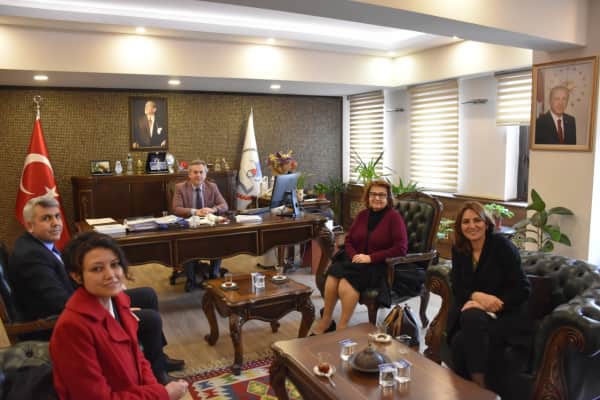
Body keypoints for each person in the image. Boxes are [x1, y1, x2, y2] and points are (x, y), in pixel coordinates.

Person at [8, 194, 184, 384]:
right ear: (30, 225)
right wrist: (111, 311)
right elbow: (58, 303)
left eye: (57, 216)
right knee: (151, 319)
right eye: (46, 218)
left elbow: (68, 284)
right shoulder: (32, 256)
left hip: (71, 305)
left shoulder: (40, 244)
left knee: (147, 294)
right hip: (55, 323)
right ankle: (158, 376)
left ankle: (157, 356)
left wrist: (114, 301)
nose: (56, 223)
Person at [50, 231, 189, 400]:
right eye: (97, 269)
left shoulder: (118, 300)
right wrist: (162, 394)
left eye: (115, 264)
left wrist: (155, 390)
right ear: (77, 276)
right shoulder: (72, 328)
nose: (111, 275)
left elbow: (139, 358)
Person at [447, 201, 531, 388]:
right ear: (460, 227)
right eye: (466, 222)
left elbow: (523, 289)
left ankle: (479, 388)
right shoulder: (459, 249)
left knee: (470, 318)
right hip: (476, 317)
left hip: (505, 314)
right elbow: (458, 286)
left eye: (477, 220)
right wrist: (476, 296)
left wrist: (487, 304)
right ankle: (468, 391)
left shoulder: (502, 246)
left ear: (486, 223)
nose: (472, 226)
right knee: (460, 339)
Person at [311, 180, 408, 334]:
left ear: (388, 198)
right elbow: (349, 240)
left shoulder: (394, 218)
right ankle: (326, 320)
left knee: (346, 282)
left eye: (381, 195)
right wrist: (354, 255)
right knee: (333, 275)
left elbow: (401, 249)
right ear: (368, 196)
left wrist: (371, 258)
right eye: (373, 194)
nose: (377, 198)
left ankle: (342, 327)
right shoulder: (363, 215)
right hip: (356, 259)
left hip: (378, 264)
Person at [172, 159, 228, 290]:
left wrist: (213, 209)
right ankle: (191, 279)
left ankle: (214, 275)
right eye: (195, 172)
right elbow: (176, 209)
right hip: (189, 227)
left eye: (201, 172)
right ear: (189, 174)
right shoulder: (180, 187)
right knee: (187, 246)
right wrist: (195, 211)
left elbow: (224, 205)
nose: (198, 175)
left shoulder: (212, 186)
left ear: (205, 174)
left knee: (219, 241)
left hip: (208, 226)